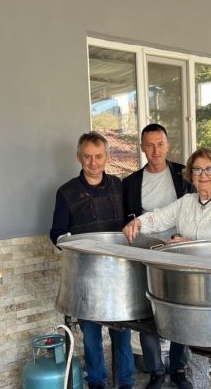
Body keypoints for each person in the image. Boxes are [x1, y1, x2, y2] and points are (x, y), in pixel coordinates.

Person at [123, 148, 211, 389]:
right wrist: (137, 222)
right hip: (192, 286)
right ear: (190, 174)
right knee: (195, 343)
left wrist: (190, 244)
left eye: (209, 169)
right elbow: (158, 218)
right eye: (197, 169)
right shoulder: (185, 202)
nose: (203, 174)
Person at [50, 132, 133, 389]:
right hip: (85, 274)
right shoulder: (66, 192)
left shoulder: (121, 187)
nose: (93, 162)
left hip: (120, 273)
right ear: (79, 157)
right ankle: (96, 381)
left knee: (122, 331)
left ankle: (126, 382)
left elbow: (131, 221)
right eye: (87, 156)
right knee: (91, 333)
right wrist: (68, 243)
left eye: (98, 156)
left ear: (107, 157)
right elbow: (56, 232)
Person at [122, 124, 195, 389]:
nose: (155, 150)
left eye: (160, 144)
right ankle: (155, 370)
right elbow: (128, 219)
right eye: (149, 145)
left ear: (168, 144)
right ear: (142, 147)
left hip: (179, 252)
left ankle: (178, 368)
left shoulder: (183, 174)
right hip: (145, 252)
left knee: (181, 308)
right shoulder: (130, 183)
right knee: (147, 310)